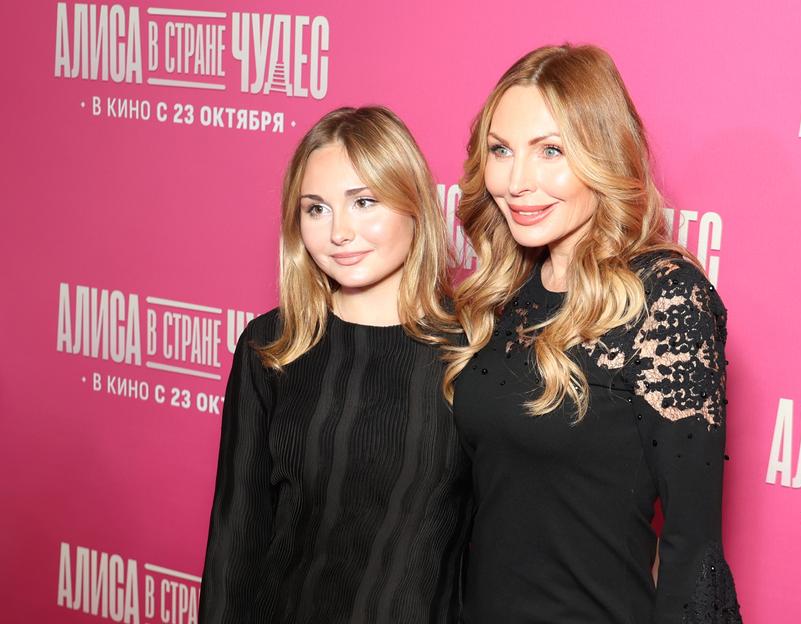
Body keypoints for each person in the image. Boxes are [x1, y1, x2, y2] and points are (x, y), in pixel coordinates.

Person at [445, 45, 742, 623]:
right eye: (501, 150)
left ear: (602, 155)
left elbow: (693, 546)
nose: (518, 181)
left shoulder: (665, 297)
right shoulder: (499, 295)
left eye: (551, 151)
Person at [199, 106, 472, 624]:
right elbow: (237, 539)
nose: (339, 232)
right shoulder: (273, 345)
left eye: (364, 202)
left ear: (414, 204)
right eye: (316, 209)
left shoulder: (472, 351)